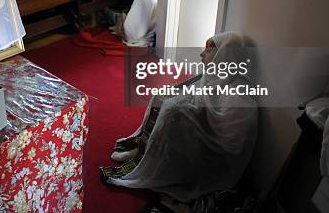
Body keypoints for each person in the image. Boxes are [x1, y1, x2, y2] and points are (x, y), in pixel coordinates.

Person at [101, 32, 259, 204]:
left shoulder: (239, 94)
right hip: (205, 129)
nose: (201, 54)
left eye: (207, 51)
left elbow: (230, 141)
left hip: (214, 152)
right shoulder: (216, 76)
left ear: (223, 56)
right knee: (162, 97)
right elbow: (198, 96)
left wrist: (192, 117)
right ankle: (144, 148)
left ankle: (151, 159)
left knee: (174, 112)